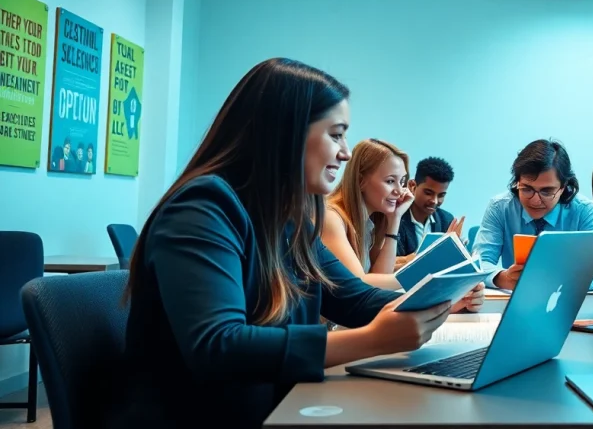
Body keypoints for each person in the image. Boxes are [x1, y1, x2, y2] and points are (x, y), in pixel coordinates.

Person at [110, 59, 481, 429]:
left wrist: (442, 297)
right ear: (285, 133)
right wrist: (371, 340)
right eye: (336, 134)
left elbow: (354, 298)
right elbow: (219, 346)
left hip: (270, 408)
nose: (346, 152)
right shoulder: (202, 209)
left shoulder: (289, 220)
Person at [322, 140, 465, 289]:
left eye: (401, 181)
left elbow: (380, 278)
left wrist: (394, 219)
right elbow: (359, 284)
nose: (399, 191)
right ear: (360, 180)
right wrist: (429, 270)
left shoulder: (372, 222)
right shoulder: (331, 217)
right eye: (390, 181)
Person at [473, 139, 593, 290]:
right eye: (527, 189)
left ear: (563, 188)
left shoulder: (586, 212)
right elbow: (479, 262)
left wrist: (550, 279)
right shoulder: (499, 207)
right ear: (517, 183)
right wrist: (504, 278)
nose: (535, 200)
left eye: (546, 191)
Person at [395, 157, 458, 268]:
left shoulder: (446, 220)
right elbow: (388, 264)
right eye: (428, 193)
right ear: (412, 186)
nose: (434, 201)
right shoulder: (395, 217)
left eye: (441, 195)